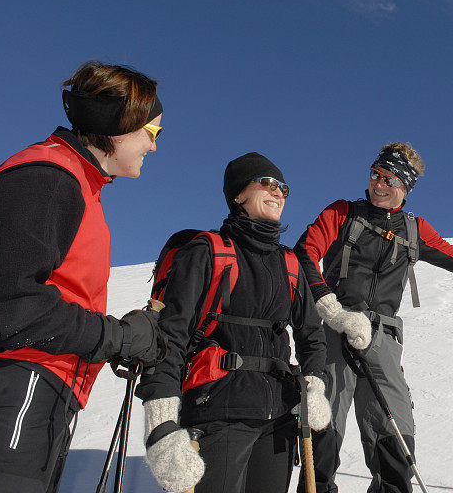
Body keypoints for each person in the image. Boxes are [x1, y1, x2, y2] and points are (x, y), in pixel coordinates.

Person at [294, 142, 453, 493]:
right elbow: (305, 253)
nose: (378, 184)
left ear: (405, 187)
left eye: (389, 179)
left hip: (382, 338)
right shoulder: (343, 213)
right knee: (324, 425)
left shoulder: (415, 230)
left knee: (395, 434)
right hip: (336, 331)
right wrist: (331, 309)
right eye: (375, 174)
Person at [0, 61, 168, 492]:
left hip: (42, 391)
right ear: (118, 125)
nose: (154, 147)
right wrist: (118, 338)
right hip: (19, 385)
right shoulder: (48, 177)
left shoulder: (78, 183)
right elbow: (10, 306)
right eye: (152, 133)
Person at [135, 152, 332, 493]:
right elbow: (170, 338)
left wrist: (314, 385)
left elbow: (311, 334)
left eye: (284, 188)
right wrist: (161, 423)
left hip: (279, 416)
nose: (279, 193)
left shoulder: (289, 263)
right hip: (219, 410)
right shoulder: (207, 252)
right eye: (268, 183)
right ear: (239, 194)